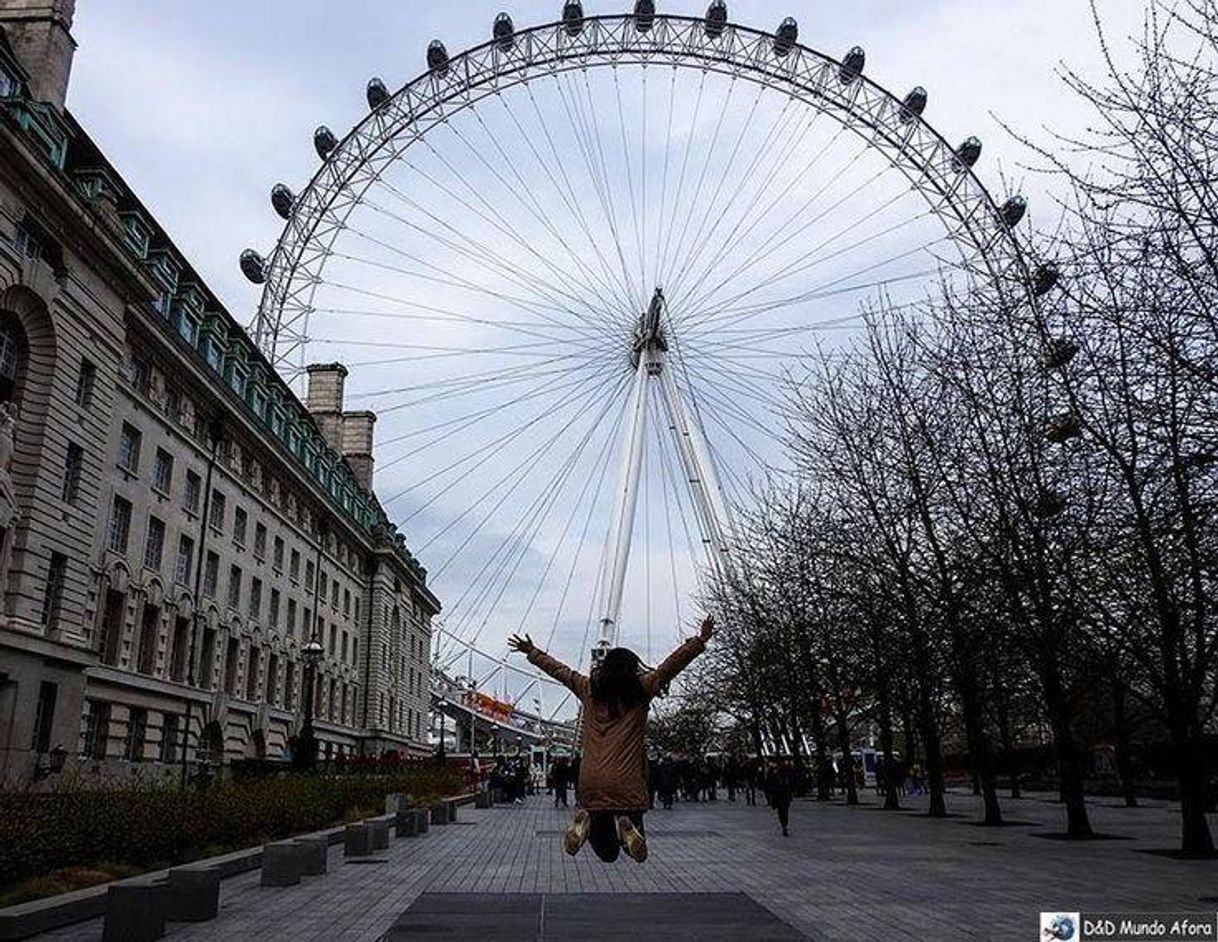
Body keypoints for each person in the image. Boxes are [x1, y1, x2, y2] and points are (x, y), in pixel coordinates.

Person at [508, 616, 715, 863]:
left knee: (606, 853)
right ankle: (624, 828)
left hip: (591, 780)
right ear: (633, 667)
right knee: (633, 851)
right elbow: (669, 667)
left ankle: (584, 826)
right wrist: (699, 641)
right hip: (626, 780)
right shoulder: (641, 689)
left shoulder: (588, 688)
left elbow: (561, 671)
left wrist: (532, 652)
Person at [769, 759, 796, 837]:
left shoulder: (774, 772)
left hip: (779, 795)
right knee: (785, 810)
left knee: (781, 811)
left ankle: (784, 825)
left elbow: (770, 782)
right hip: (784, 794)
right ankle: (785, 825)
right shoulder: (787, 772)